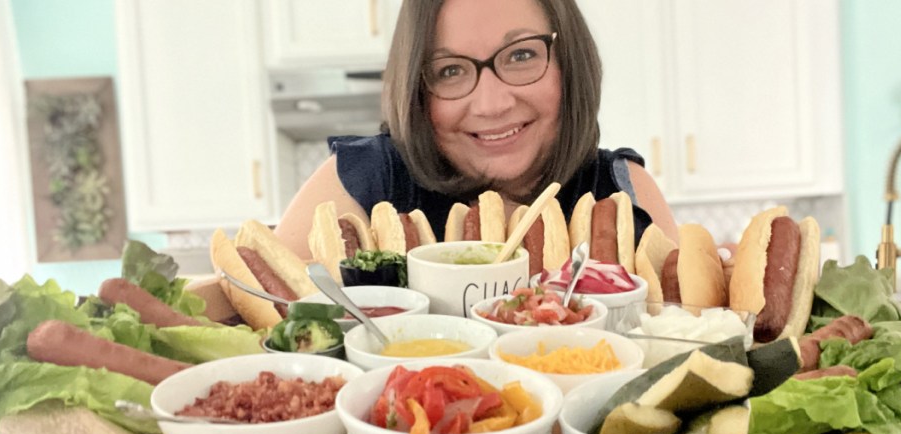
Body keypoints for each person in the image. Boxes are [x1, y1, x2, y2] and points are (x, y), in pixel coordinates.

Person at [274, 0, 679, 261]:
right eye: (449, 70)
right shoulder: (366, 180)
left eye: (521, 54)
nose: (492, 104)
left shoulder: (625, 192)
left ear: (569, 62)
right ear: (417, 89)